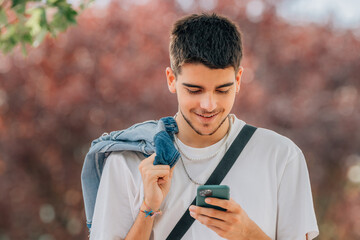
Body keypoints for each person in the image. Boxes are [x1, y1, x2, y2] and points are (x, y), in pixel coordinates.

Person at [88, 13, 319, 240]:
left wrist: (249, 235)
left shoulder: (281, 156)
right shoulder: (128, 160)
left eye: (222, 90)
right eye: (194, 90)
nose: (209, 105)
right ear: (171, 80)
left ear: (238, 80)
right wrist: (147, 209)